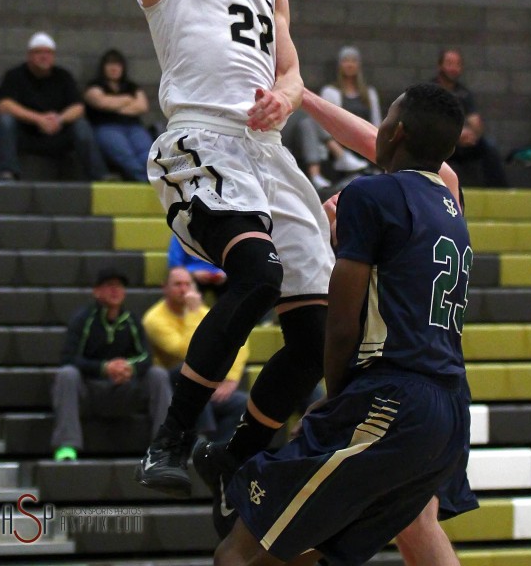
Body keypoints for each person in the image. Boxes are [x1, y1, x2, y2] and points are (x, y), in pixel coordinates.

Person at [133, 0, 333, 501]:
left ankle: (236, 451)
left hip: (267, 152)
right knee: (249, 280)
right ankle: (177, 431)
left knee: (320, 339)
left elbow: (287, 65)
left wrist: (286, 95)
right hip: (200, 140)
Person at [213, 83, 473, 566]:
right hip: (450, 405)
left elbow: (341, 321)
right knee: (386, 527)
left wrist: (335, 403)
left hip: (393, 395)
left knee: (243, 550)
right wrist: (303, 96)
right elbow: (387, 141)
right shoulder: (448, 196)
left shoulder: (371, 195)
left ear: (396, 130)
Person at [51, 267, 172, 462]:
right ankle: (67, 445)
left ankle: (164, 447)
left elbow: (146, 357)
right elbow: (69, 357)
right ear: (96, 291)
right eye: (109, 286)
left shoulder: (132, 320)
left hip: (124, 389)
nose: (115, 291)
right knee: (67, 374)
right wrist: (105, 368)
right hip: (91, 391)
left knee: (158, 374)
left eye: (119, 286)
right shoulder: (83, 319)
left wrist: (128, 368)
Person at [143, 267, 248, 443]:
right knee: (192, 372)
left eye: (188, 284)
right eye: (177, 284)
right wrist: (192, 314)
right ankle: (201, 436)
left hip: (204, 381)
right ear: (165, 288)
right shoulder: (154, 319)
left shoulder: (202, 311)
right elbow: (188, 352)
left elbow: (238, 342)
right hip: (169, 384)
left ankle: (217, 452)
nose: (184, 289)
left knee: (241, 402)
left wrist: (231, 379)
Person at [0, 32, 107, 181]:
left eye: (48, 52)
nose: (43, 56)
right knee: (5, 121)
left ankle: (100, 176)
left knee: (81, 125)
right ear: (29, 55)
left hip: (56, 134)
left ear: (53, 56)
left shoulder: (63, 76)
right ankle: (8, 173)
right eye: (38, 52)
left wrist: (59, 119)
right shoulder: (15, 75)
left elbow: (78, 108)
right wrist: (38, 119)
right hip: (25, 135)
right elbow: (4, 105)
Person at [432, 48, 508, 188]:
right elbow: (430, 123)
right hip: (438, 144)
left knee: (489, 147)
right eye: (449, 63)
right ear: (440, 66)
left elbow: (474, 120)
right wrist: (456, 135)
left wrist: (473, 134)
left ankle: (501, 192)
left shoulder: (463, 93)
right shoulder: (430, 90)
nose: (454, 68)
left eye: (457, 64)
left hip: (460, 144)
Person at [84, 48, 152, 181]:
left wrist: (113, 104)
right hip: (106, 127)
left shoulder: (131, 86)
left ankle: (153, 182)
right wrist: (127, 100)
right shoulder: (95, 86)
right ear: (103, 67)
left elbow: (142, 107)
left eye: (118, 64)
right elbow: (101, 102)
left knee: (148, 155)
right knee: (126, 156)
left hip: (134, 128)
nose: (114, 68)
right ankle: (145, 182)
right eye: (110, 64)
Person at [319, 45, 382, 176]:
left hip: (365, 142)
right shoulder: (330, 91)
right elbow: (326, 123)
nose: (350, 65)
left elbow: (377, 122)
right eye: (346, 61)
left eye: (353, 61)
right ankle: (344, 160)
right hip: (342, 143)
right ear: (339, 65)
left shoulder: (369, 93)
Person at [279, 107, 331, 192]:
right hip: (274, 135)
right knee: (306, 112)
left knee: (306, 123)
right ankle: (339, 153)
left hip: (294, 138)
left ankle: (315, 175)